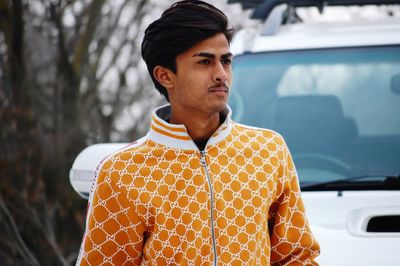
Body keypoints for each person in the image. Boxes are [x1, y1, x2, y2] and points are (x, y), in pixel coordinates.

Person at [76, 0, 320, 265]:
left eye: (225, 61)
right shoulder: (123, 173)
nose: (221, 75)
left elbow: (296, 257)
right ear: (165, 76)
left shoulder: (267, 151)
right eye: (205, 62)